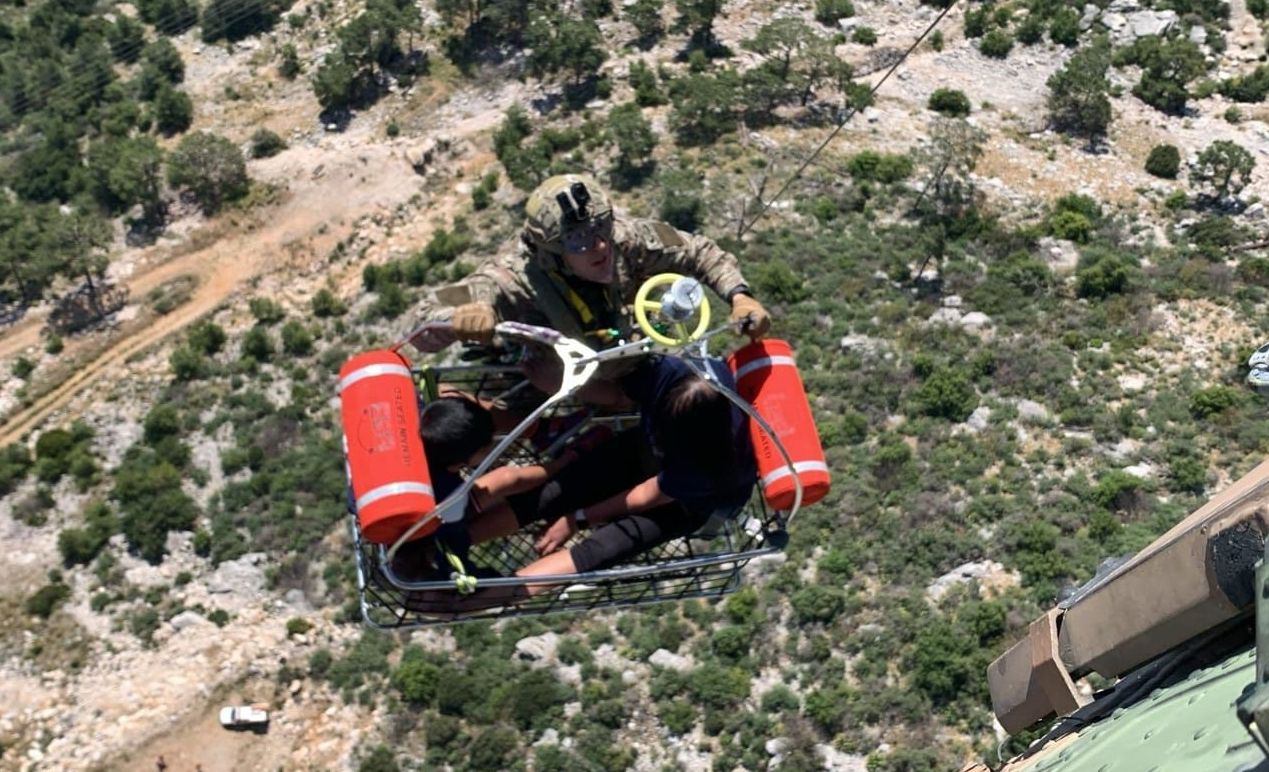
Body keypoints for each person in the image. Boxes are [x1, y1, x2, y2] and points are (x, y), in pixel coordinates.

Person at [458, 353, 757, 605]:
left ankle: (461, 600)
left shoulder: (710, 467)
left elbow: (644, 497)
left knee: (599, 550)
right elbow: (619, 394)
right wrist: (561, 383)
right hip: (643, 453)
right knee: (556, 492)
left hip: (683, 505)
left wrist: (577, 519)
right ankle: (449, 542)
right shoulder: (680, 375)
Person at [407, 173, 771, 356]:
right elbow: (421, 323)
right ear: (550, 252)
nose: (598, 245)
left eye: (602, 226)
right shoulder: (513, 277)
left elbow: (699, 251)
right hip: (556, 387)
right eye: (577, 239)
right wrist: (462, 319)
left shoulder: (628, 239)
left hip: (630, 364)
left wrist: (740, 296)